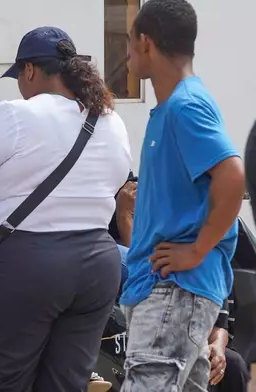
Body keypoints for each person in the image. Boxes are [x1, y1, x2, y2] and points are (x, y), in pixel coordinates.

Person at [0, 26, 132, 391]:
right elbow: (116, 181)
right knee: (66, 384)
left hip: (28, 263)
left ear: (30, 70)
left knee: (0, 383)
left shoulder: (18, 114)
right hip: (97, 263)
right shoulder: (110, 120)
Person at [121, 0, 246, 390]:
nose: (125, 55)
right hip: (172, 288)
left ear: (145, 42)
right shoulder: (176, 106)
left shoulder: (185, 106)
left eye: (127, 43)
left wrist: (195, 250)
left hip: (176, 287)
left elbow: (234, 175)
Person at [115, 181, 250, 392]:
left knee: (233, 364)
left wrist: (218, 347)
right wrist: (125, 215)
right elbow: (142, 273)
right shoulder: (161, 246)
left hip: (195, 337)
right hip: (157, 330)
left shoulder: (213, 262)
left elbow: (221, 323)